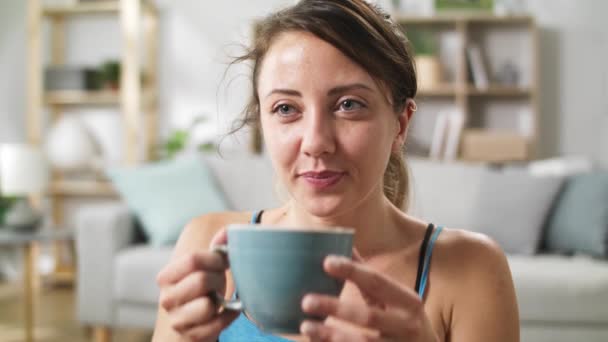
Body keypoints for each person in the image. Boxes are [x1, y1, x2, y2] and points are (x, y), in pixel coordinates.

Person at [152, 0, 520, 341]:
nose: (315, 142)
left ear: (401, 125)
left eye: (348, 105)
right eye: (285, 109)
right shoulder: (209, 248)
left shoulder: (472, 269)